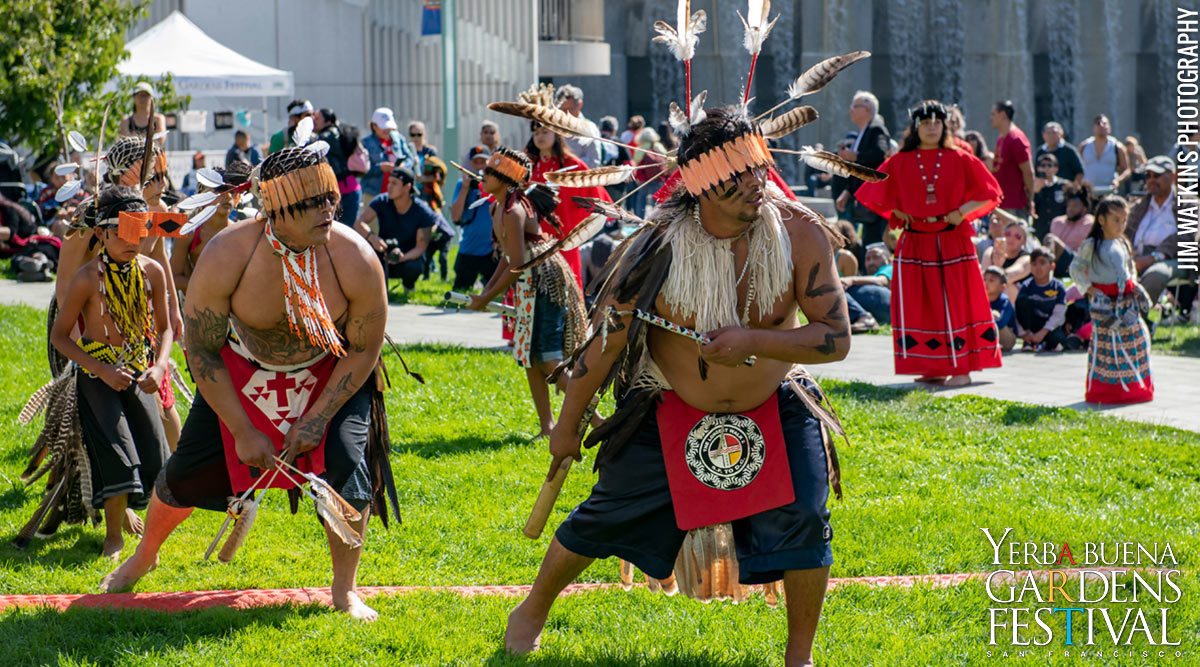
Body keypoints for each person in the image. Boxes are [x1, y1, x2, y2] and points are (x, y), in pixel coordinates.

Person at [500, 104, 849, 666]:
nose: (756, 185)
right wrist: (566, 428)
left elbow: (836, 337)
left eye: (759, 169)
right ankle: (532, 610)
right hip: (670, 401)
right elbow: (605, 346)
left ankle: (799, 656)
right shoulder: (655, 248)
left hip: (775, 400)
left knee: (807, 516)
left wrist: (751, 341)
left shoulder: (802, 235)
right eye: (738, 177)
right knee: (606, 512)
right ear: (701, 186)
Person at [101, 146, 399, 620]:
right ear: (276, 210)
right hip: (241, 370)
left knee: (348, 467)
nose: (328, 211)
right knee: (184, 475)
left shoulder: (354, 257)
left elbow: (364, 348)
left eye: (329, 198)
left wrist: (319, 418)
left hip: (332, 369)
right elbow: (200, 348)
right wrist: (241, 429)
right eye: (311, 203)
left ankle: (344, 590)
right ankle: (144, 554)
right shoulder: (227, 253)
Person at [40, 187, 173, 559]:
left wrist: (159, 366)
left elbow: (164, 330)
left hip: (138, 369)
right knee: (117, 451)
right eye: (124, 233)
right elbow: (60, 336)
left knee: (152, 451)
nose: (135, 242)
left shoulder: (153, 272)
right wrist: (100, 368)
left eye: (140, 232)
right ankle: (113, 537)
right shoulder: (87, 278)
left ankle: (147, 533)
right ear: (101, 233)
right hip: (97, 377)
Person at [855, 100, 1004, 386]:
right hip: (916, 244)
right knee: (919, 305)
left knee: (956, 303)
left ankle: (961, 369)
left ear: (944, 125)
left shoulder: (960, 157)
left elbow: (990, 193)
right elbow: (872, 192)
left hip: (951, 243)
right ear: (916, 127)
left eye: (937, 122)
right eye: (925, 123)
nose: (932, 127)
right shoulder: (900, 161)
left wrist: (960, 212)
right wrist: (897, 210)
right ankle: (932, 366)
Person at [55, 136, 185, 452]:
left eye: (164, 174)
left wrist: (174, 309)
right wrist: (73, 341)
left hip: (140, 323)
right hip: (92, 322)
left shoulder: (160, 209)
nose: (163, 182)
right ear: (128, 174)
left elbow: (160, 257)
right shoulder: (93, 216)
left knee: (163, 406)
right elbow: (65, 281)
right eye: (154, 175)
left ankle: (173, 485)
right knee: (98, 419)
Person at [464, 147, 587, 436]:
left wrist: (487, 297)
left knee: (546, 357)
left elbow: (517, 263)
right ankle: (548, 426)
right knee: (529, 358)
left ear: (507, 181)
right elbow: (508, 257)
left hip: (544, 283)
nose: (483, 175)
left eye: (491, 172)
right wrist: (486, 293)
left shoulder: (514, 209)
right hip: (529, 284)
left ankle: (594, 415)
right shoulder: (498, 207)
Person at [1069, 195, 1153, 404]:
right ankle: (1108, 392)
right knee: (1108, 345)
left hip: (1126, 300)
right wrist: (1089, 290)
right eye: (1116, 219)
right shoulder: (1092, 244)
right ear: (1101, 220)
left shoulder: (1122, 242)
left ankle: (1135, 389)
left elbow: (1130, 268)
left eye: (1124, 220)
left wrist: (1134, 285)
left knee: (1135, 339)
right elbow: (1075, 268)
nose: (1121, 224)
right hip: (1103, 302)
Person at [526, 120, 613, 287]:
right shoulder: (528, 165)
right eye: (536, 133)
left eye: (545, 132)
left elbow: (594, 193)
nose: (540, 137)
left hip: (563, 239)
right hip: (532, 238)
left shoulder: (572, 165)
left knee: (566, 289)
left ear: (556, 134)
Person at [170, 163, 251, 295]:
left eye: (231, 190)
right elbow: (173, 277)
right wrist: (208, 285)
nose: (228, 196)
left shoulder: (240, 233)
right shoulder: (189, 232)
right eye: (220, 190)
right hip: (199, 301)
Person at [355, 165, 439, 292]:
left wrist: (402, 257)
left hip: (407, 258)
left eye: (394, 183)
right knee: (365, 256)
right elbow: (359, 223)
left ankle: (409, 286)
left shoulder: (422, 211)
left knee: (415, 266)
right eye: (389, 182)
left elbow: (421, 247)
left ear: (407, 187)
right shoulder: (382, 200)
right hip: (383, 252)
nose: (389, 186)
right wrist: (373, 238)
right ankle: (376, 291)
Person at [1125, 156, 1185, 307]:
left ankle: (1136, 320)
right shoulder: (1139, 206)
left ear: (1173, 176)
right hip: (1136, 257)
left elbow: (1188, 237)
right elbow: (1123, 234)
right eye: (1148, 175)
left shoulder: (1188, 204)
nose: (1151, 180)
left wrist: (1153, 257)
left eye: (1156, 175)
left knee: (1155, 274)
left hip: (1173, 259)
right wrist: (1126, 251)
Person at [834, 91, 892, 246]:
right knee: (868, 240)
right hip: (865, 199)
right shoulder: (865, 131)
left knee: (873, 242)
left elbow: (880, 153)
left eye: (854, 106)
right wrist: (847, 192)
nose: (850, 110)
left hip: (874, 200)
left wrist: (855, 156)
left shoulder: (876, 129)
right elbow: (859, 168)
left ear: (867, 109)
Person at [450, 146, 499, 291]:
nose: (480, 166)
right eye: (476, 162)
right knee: (460, 288)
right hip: (469, 247)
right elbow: (455, 217)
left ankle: (484, 284)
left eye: (483, 162)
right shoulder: (463, 185)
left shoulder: (497, 186)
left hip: (492, 249)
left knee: (497, 289)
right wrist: (465, 188)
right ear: (470, 164)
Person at [1014, 247, 1069, 351]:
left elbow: (1059, 314)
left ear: (1052, 266)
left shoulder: (1058, 286)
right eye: (1034, 264)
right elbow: (1019, 310)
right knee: (1023, 300)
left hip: (1049, 326)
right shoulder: (1027, 285)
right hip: (1032, 325)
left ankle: (1043, 342)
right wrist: (1025, 333)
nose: (1038, 267)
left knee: (1058, 341)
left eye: (1042, 263)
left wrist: (1043, 332)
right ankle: (1029, 340)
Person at [989, 100, 1034, 219]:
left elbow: (1028, 172)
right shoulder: (1002, 137)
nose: (990, 118)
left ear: (1003, 115)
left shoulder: (1016, 139)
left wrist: (1030, 200)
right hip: (1001, 204)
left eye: (993, 114)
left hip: (1014, 206)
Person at [361, 107, 418, 202]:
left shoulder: (398, 138)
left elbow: (410, 158)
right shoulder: (366, 143)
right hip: (373, 194)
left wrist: (403, 166)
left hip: (398, 194)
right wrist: (380, 168)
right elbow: (362, 170)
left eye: (389, 127)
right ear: (374, 126)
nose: (387, 130)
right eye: (384, 127)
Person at [1044, 182, 1095, 278]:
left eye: (1075, 206)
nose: (1070, 209)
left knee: (1051, 239)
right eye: (1068, 205)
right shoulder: (1057, 222)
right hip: (1057, 262)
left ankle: (1046, 274)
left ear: (1084, 208)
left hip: (1077, 263)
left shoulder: (1090, 223)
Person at [841, 243, 892, 333]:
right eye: (868, 259)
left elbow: (882, 281)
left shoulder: (889, 268)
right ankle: (863, 318)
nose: (871, 262)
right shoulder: (867, 279)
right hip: (884, 313)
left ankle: (864, 318)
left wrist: (851, 280)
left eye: (876, 257)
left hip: (888, 302)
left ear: (888, 260)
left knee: (837, 289)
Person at [981, 220, 1033, 303]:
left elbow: (1008, 277)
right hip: (990, 298)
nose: (1011, 238)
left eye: (1017, 236)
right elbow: (983, 279)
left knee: (1009, 286)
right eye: (1008, 234)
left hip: (1017, 305)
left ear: (1024, 241)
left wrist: (998, 266)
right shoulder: (991, 251)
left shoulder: (1027, 258)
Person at [1078, 115, 1130, 196]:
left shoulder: (1117, 147)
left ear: (1109, 128)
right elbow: (1076, 169)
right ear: (1093, 128)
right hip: (1087, 193)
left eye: (1104, 123)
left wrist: (1118, 180)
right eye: (1098, 123)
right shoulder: (1084, 146)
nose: (1101, 126)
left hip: (1109, 192)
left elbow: (1127, 170)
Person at [553, 85, 602, 168]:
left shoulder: (589, 128)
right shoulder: (552, 127)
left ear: (580, 105)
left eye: (570, 109)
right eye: (562, 110)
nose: (565, 114)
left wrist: (567, 165)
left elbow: (593, 161)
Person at [1031, 153, 1067, 239]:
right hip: (1040, 230)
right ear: (1038, 168)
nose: (1046, 168)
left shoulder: (1064, 186)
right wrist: (1035, 192)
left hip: (1061, 230)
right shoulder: (1033, 186)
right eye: (1043, 165)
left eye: (1050, 165)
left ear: (1056, 168)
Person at [983, 266, 1017, 351]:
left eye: (991, 280)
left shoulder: (1004, 301)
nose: (986, 283)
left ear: (1003, 287)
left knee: (995, 314)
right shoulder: (980, 299)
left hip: (1006, 338)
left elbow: (1001, 322)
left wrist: (988, 315)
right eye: (984, 279)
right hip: (988, 331)